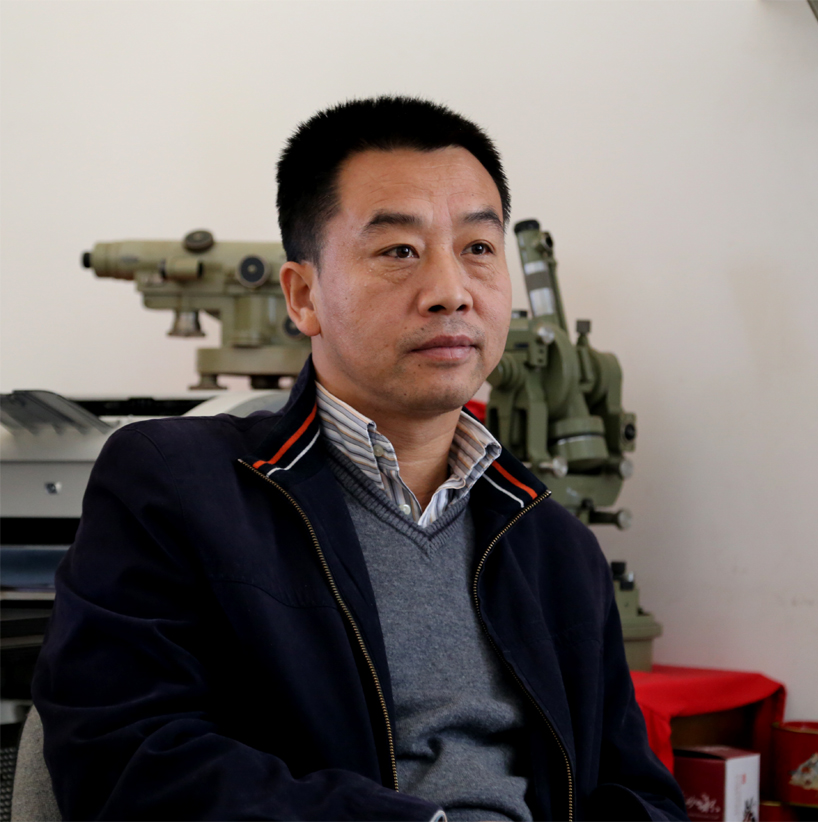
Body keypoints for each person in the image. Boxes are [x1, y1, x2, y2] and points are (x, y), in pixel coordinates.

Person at [33, 96, 688, 821]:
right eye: (399, 251)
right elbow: (126, 757)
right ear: (303, 296)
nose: (450, 292)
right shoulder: (176, 486)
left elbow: (641, 795)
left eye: (477, 248)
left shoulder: (555, 546)